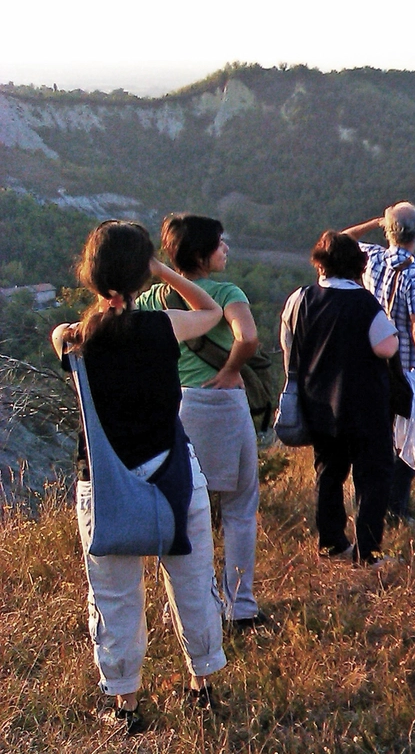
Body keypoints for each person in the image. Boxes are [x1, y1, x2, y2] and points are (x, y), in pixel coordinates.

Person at [52, 221, 227, 734]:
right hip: (172, 476)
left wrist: (71, 327)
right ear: (139, 272)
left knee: (113, 597)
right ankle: (203, 685)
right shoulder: (161, 326)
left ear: (92, 274)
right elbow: (212, 313)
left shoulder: (76, 341)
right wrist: (163, 271)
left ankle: (124, 704)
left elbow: (59, 334)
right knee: (193, 585)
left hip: (105, 486)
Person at [136, 214, 266, 630]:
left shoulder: (152, 300)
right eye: (220, 243)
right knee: (240, 508)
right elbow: (247, 338)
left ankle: (179, 607)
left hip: (176, 406)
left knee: (177, 509)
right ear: (201, 254)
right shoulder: (227, 291)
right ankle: (239, 606)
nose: (225, 249)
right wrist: (231, 371)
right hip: (223, 404)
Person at [281, 231, 400, 565]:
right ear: (358, 266)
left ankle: (331, 544)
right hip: (364, 406)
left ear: (321, 264)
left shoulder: (301, 298)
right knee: (372, 477)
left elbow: (289, 345)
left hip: (318, 403)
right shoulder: (364, 303)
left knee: (328, 474)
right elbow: (386, 347)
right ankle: (368, 551)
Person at [342, 203, 415, 521]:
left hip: (372, 363)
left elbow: (342, 238)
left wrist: (376, 223)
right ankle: (396, 510)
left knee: (376, 438)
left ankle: (368, 506)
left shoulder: (372, 259)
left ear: (389, 231)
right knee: (407, 440)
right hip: (406, 369)